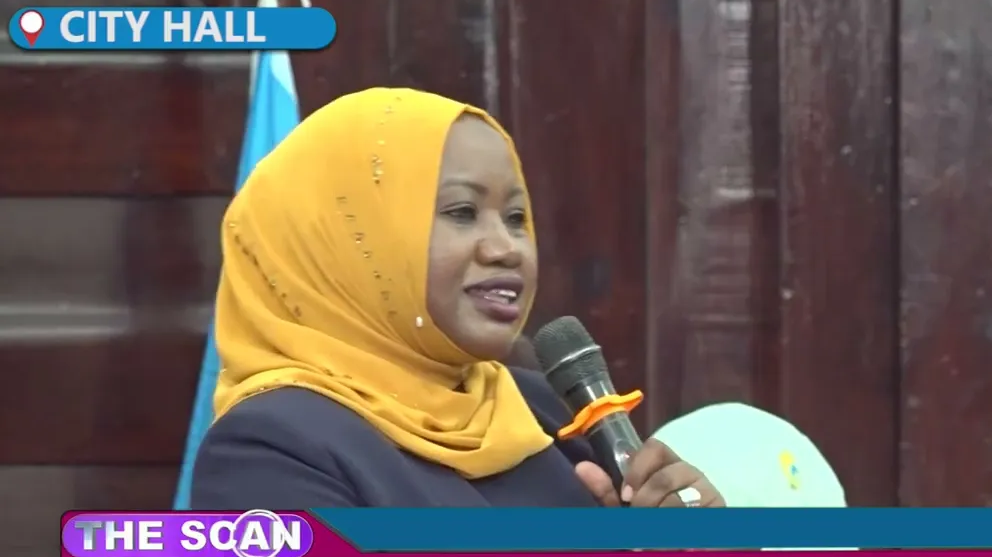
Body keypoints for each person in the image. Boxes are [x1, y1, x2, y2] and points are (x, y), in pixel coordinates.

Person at [192, 87, 726, 515]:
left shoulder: (540, 408)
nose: (507, 248)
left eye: (516, 218)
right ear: (344, 241)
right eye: (462, 212)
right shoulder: (272, 449)